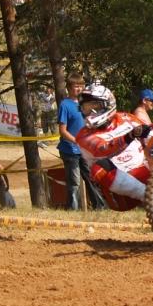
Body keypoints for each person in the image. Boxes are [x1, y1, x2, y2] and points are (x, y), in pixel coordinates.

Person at [76, 83, 153, 204]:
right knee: (99, 167)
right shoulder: (83, 136)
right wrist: (129, 136)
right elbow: (102, 149)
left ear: (108, 104)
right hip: (119, 187)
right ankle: (151, 197)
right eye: (86, 108)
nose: (91, 112)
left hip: (145, 169)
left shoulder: (126, 118)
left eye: (95, 106)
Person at [57, 73, 105, 210]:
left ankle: (99, 207)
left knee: (91, 178)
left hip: (85, 150)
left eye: (81, 86)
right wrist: (77, 141)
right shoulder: (65, 105)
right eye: (75, 86)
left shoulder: (86, 104)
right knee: (75, 182)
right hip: (70, 150)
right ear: (69, 88)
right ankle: (73, 209)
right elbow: (63, 130)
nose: (78, 89)